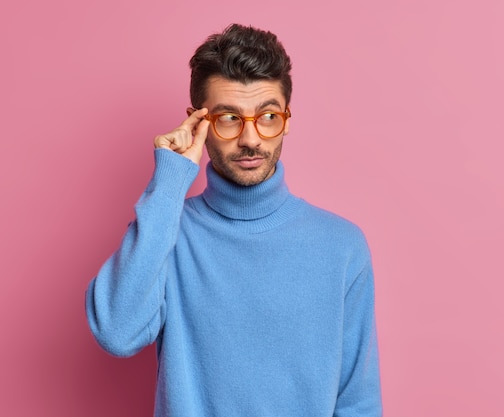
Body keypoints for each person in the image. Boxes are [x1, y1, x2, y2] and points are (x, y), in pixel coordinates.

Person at [85, 23, 382, 416]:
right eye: (228, 118)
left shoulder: (341, 245)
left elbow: (358, 401)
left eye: (268, 116)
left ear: (287, 120)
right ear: (198, 123)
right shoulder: (168, 232)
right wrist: (169, 181)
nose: (251, 139)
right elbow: (117, 332)